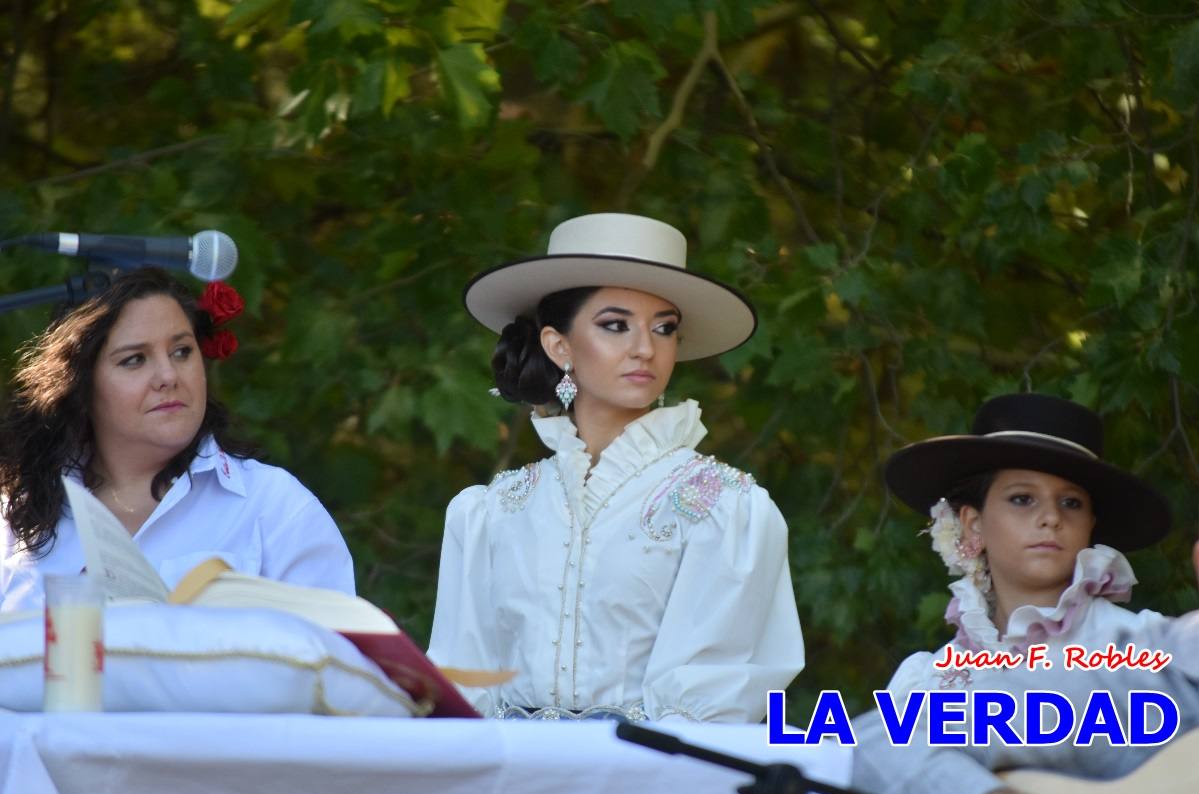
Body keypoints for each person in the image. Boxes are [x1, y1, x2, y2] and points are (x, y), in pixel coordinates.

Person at [427, 212, 804, 721]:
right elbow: (460, 684)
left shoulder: (725, 507)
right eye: (615, 325)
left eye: (664, 329)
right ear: (558, 345)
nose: (645, 348)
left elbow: (710, 703)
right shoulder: (492, 511)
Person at [850, 393, 1191, 794]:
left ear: (1090, 526)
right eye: (1022, 499)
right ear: (973, 524)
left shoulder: (1142, 650)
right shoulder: (924, 680)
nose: (1051, 517)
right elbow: (866, 761)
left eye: (1071, 503)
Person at [0, 268, 354, 611]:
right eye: (135, 360)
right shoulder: (13, 517)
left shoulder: (273, 507)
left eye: (182, 351)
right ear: (80, 384)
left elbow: (338, 661)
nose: (168, 375)